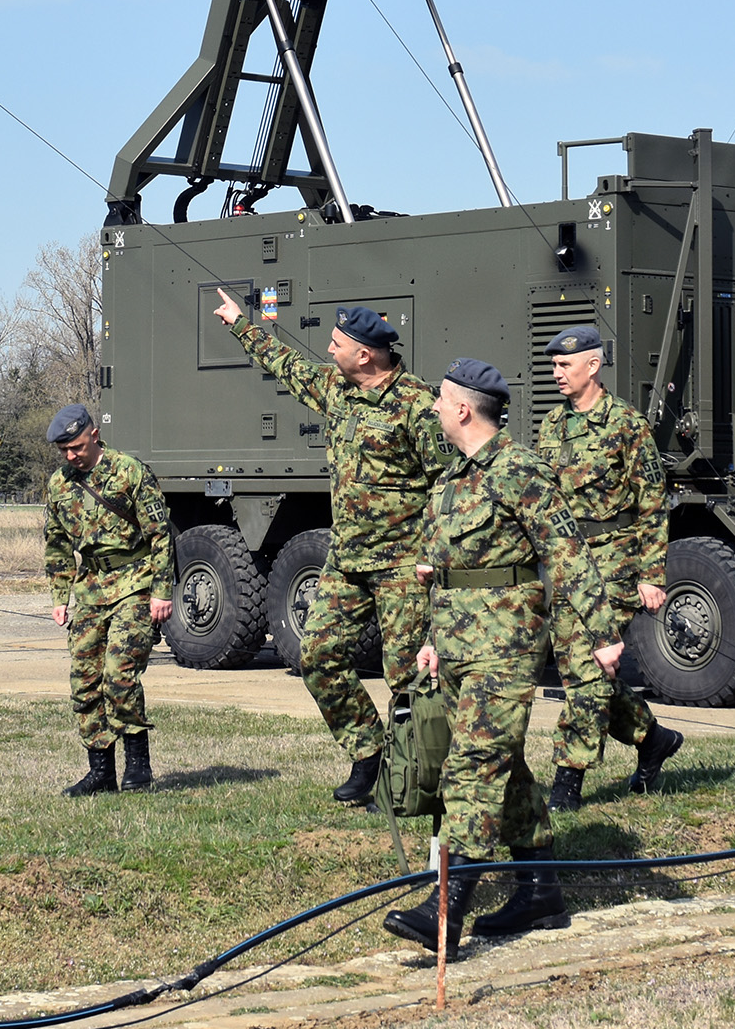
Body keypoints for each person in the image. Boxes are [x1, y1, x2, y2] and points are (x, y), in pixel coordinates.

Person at [382, 359, 609, 959]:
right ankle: (541, 892)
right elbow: (445, 571)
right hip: (457, 648)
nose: (432, 407)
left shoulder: (520, 472)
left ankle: (445, 910)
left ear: (463, 408)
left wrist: (604, 633)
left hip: (504, 648)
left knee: (473, 767)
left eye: (440, 399)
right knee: (504, 771)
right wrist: (432, 637)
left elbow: (567, 553)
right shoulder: (454, 479)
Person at [213, 287, 452, 804]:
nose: (328, 348)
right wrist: (239, 322)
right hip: (346, 561)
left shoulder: (416, 404)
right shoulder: (335, 389)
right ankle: (368, 753)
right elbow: (285, 364)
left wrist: (435, 555)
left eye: (337, 342)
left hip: (401, 566)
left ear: (365, 354)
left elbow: (446, 485)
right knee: (317, 655)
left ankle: (420, 776)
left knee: (407, 675)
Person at [533, 323, 684, 811]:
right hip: (564, 566)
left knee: (585, 670)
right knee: (585, 669)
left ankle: (567, 781)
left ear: (593, 366)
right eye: (553, 365)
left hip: (613, 564)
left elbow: (652, 502)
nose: (556, 373)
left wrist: (652, 574)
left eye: (564, 365)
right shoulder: (551, 425)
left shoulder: (626, 424)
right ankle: (652, 739)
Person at [41, 403, 174, 797]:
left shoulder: (129, 471)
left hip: (134, 582)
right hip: (90, 589)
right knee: (84, 682)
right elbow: (57, 544)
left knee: (119, 675)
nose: (71, 456)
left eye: (77, 447)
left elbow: (160, 534)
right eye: (64, 450)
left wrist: (162, 591)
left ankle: (138, 766)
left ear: (94, 435)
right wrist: (59, 595)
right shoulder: (59, 485)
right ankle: (101, 771)